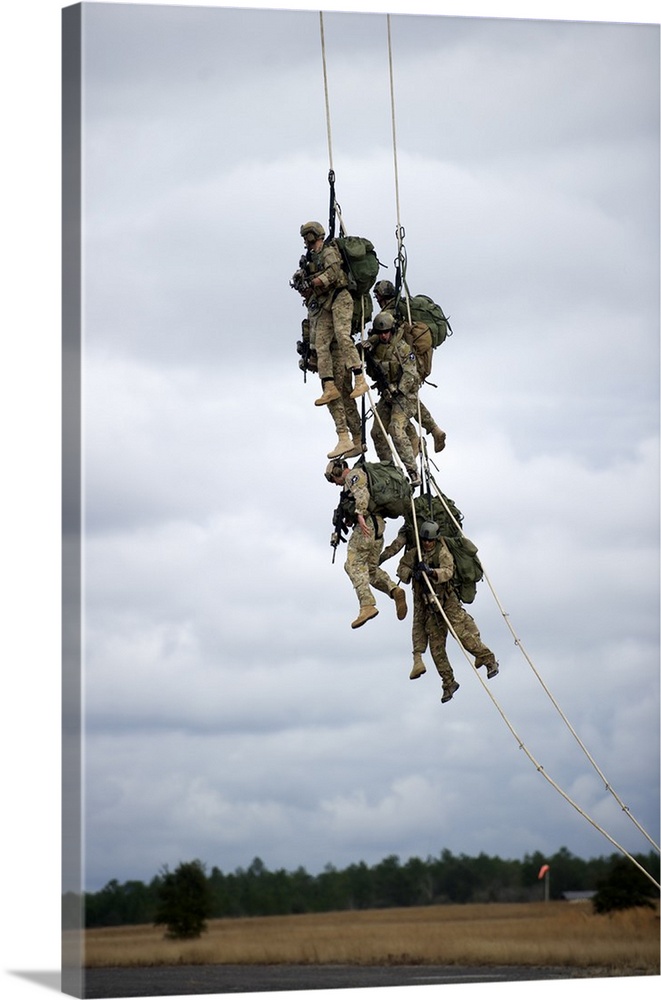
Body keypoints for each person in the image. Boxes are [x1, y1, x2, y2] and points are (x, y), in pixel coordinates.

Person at [396, 520, 498, 703]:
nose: (427, 544)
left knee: (463, 636)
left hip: (447, 602)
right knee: (437, 649)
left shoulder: (442, 552)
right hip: (429, 607)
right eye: (424, 540)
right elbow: (401, 568)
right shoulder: (415, 554)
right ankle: (448, 682)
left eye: (430, 541)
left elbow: (448, 571)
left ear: (435, 540)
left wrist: (431, 572)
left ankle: (489, 660)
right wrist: (412, 574)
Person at [325, 458, 408, 629]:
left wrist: (360, 515)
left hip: (367, 526)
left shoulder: (353, 475)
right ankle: (394, 590)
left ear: (339, 471)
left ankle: (366, 605)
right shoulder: (348, 484)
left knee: (352, 563)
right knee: (370, 570)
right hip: (377, 527)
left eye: (333, 478)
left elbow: (362, 493)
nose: (334, 483)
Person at [296, 222, 368, 409]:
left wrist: (314, 282)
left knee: (342, 335)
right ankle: (329, 386)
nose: (306, 241)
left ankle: (360, 378)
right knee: (320, 344)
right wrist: (304, 284)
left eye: (307, 236)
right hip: (324, 303)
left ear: (314, 235)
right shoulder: (311, 258)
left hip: (340, 298)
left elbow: (334, 274)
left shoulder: (328, 252)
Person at [373, 281, 446, 453]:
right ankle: (434, 430)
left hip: (406, 369)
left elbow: (383, 336)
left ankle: (416, 439)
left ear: (382, 297)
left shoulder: (390, 314)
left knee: (401, 405)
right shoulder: (403, 309)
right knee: (410, 402)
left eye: (377, 297)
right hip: (416, 365)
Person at [361, 310, 421, 487]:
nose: (384, 335)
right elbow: (372, 373)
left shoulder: (402, 348)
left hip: (405, 397)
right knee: (377, 433)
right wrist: (366, 355)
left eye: (386, 332)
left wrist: (398, 389)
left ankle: (412, 470)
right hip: (386, 397)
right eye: (380, 333)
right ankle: (390, 470)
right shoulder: (376, 348)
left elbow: (411, 373)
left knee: (395, 429)